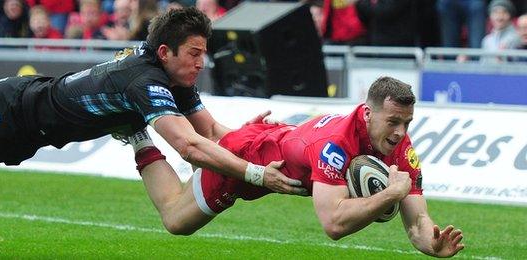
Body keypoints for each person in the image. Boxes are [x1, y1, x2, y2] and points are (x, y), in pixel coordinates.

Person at [0, 7, 306, 197]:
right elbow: (189, 146)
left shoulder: (172, 74)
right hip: (10, 114)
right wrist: (255, 175)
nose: (202, 63)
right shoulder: (145, 80)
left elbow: (214, 133)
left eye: (204, 53)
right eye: (195, 53)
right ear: (165, 51)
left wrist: (250, 139)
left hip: (27, 123)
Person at [130, 77, 465, 257]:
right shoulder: (335, 146)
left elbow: (418, 220)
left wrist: (430, 244)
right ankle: (136, 132)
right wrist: (390, 194)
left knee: (205, 158)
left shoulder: (400, 148)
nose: (400, 133)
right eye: (393, 121)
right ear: (367, 113)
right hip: (248, 161)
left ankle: (190, 110)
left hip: (278, 141)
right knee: (176, 219)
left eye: (406, 123)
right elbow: (333, 225)